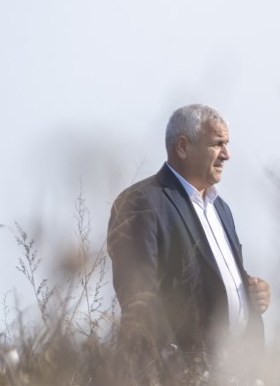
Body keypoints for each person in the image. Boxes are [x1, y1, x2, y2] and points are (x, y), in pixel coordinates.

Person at [108, 104, 271, 363]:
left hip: (237, 373)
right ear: (182, 147)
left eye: (226, 144)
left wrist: (250, 290)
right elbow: (139, 295)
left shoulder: (221, 208)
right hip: (182, 380)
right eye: (217, 144)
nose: (226, 154)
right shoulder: (140, 202)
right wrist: (176, 367)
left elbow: (217, 273)